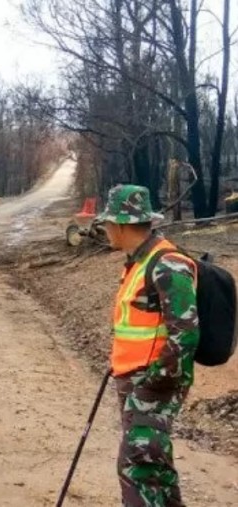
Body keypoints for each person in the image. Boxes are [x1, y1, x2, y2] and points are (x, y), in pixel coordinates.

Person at [99, 184, 198, 507]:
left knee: (137, 466)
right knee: (152, 464)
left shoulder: (167, 263)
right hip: (136, 380)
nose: (105, 229)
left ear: (124, 224)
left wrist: (153, 383)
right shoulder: (138, 260)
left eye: (108, 223)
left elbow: (185, 334)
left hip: (154, 384)